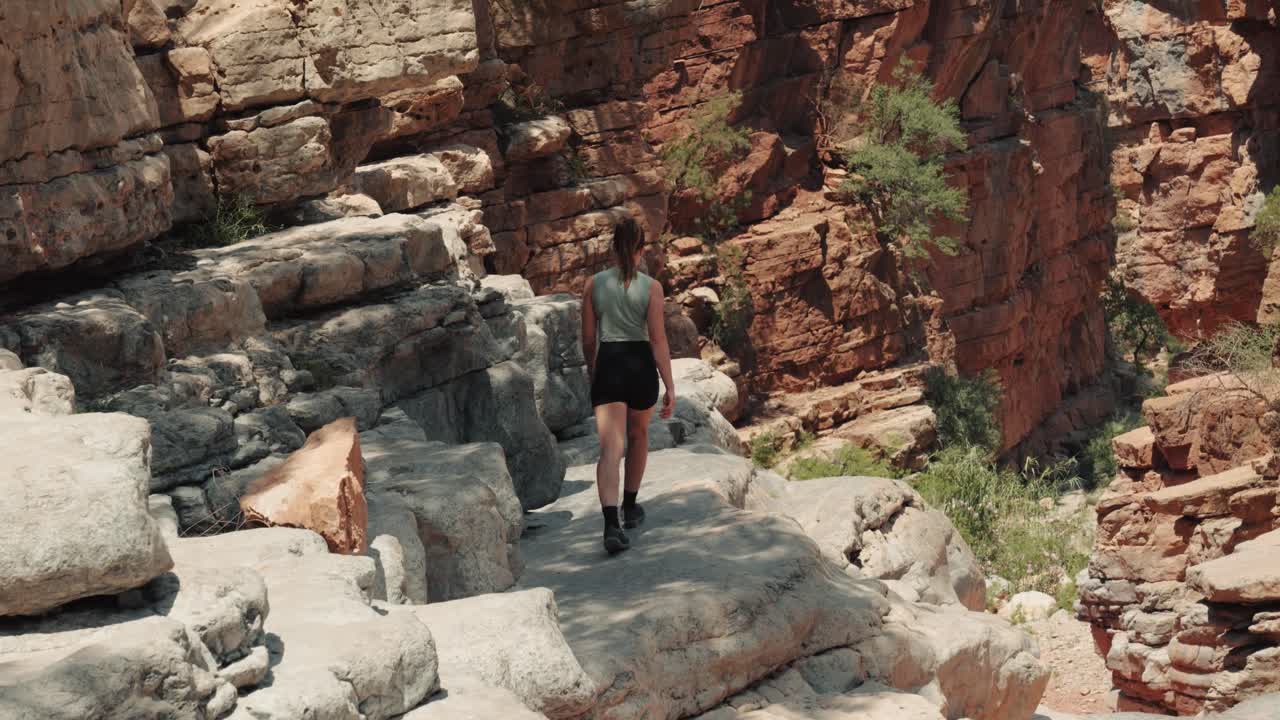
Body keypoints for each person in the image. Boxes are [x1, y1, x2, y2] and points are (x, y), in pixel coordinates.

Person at [580, 216, 676, 555]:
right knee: (638, 435)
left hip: (609, 363)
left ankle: (610, 525)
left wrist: (595, 370)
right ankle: (630, 507)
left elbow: (589, 339)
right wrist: (669, 384)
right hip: (639, 366)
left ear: (612, 246)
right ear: (640, 249)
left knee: (610, 448)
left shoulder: (593, 285)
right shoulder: (652, 288)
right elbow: (658, 339)